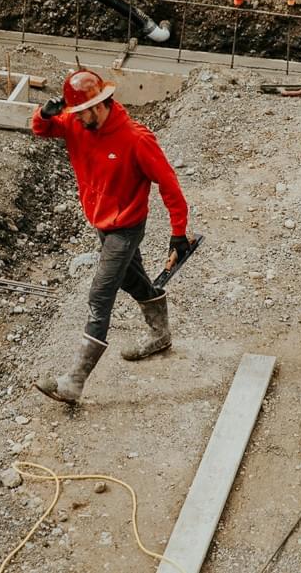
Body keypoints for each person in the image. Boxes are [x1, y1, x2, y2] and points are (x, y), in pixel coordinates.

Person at [30, 69, 191, 404]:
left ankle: (73, 382)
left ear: (99, 104)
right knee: (132, 281)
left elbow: (169, 184)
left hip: (126, 227)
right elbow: (42, 130)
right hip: (101, 222)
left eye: (80, 111)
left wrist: (178, 234)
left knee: (100, 295)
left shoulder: (136, 139)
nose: (74, 118)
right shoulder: (78, 124)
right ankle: (161, 335)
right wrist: (44, 113)